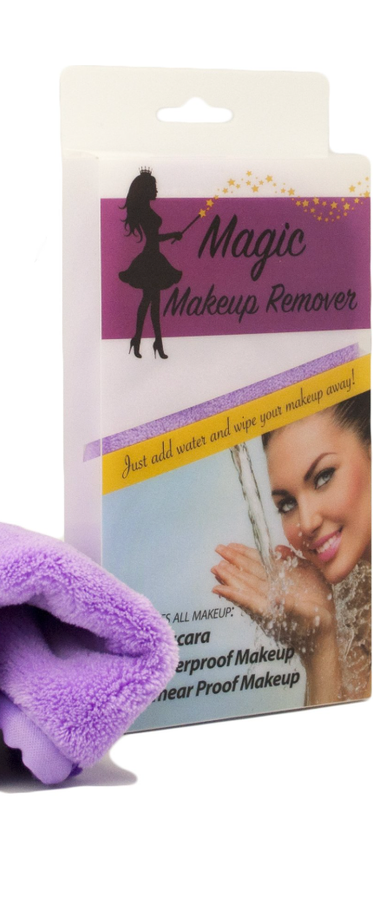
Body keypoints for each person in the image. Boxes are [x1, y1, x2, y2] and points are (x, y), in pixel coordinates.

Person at [212, 392, 371, 705]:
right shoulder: (354, 599)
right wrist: (318, 642)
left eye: (323, 477)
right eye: (287, 504)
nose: (307, 522)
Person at [119, 168, 183, 359]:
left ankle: (145, 341)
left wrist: (172, 235)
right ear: (146, 189)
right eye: (154, 187)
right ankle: (149, 341)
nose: (156, 190)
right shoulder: (145, 212)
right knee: (150, 302)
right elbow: (153, 238)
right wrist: (172, 235)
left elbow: (154, 237)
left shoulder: (146, 210)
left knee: (152, 303)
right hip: (151, 260)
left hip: (153, 257)